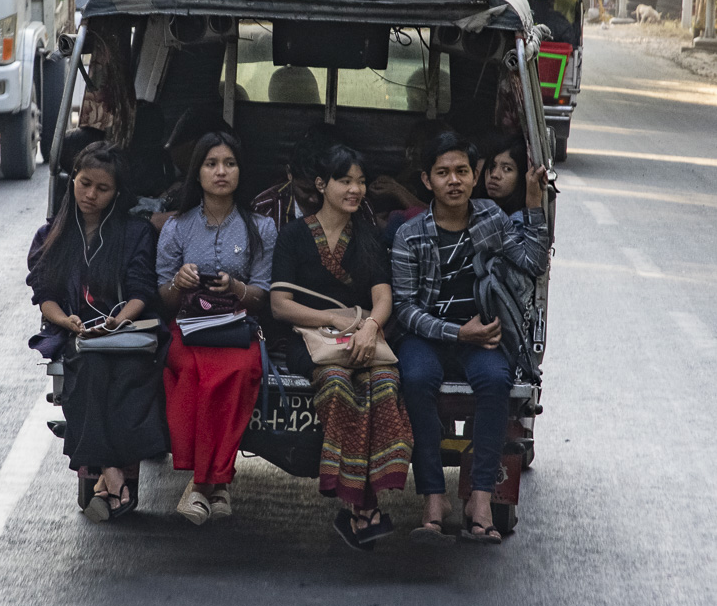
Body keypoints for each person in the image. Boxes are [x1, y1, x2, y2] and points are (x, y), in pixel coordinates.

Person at [392, 132, 549, 544]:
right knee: (416, 380)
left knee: (496, 383)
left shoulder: (490, 218)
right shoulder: (409, 235)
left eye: (462, 171)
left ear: (474, 175)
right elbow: (405, 309)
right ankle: (433, 497)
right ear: (427, 180)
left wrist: (533, 204)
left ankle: (480, 498)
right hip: (428, 337)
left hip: (481, 337)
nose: (454, 181)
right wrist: (457, 331)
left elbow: (533, 262)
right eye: (443, 173)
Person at [270, 146, 413, 549]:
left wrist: (369, 327)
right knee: (335, 384)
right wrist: (331, 319)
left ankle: (359, 507)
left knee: (384, 383)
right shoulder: (294, 235)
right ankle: (361, 505)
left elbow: (383, 297)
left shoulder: (367, 236)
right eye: (345, 180)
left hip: (363, 338)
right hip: (310, 343)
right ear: (322, 185)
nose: (355, 189)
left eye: (361, 182)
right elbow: (280, 305)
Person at [26, 143, 167, 521]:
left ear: (117, 194)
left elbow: (142, 291)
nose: (90, 195)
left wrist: (120, 319)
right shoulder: (51, 235)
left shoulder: (135, 233)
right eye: (84, 183)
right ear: (72, 179)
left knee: (126, 377)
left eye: (102, 189)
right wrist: (65, 321)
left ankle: (109, 478)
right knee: (90, 371)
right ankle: (115, 477)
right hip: (77, 336)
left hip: (126, 333)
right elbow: (46, 296)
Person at [157, 131, 277, 525]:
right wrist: (180, 282)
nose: (221, 172)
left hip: (238, 329)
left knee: (241, 372)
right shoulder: (177, 227)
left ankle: (201, 487)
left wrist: (238, 288)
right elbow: (164, 298)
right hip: (188, 330)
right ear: (199, 172)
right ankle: (218, 482)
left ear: (241, 171)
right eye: (211, 164)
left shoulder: (262, 228)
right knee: (188, 372)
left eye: (229, 163)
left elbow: (265, 296)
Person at [479, 136, 528, 222]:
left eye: (507, 169)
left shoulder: (520, 221)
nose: (494, 175)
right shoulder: (473, 211)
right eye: (492, 166)